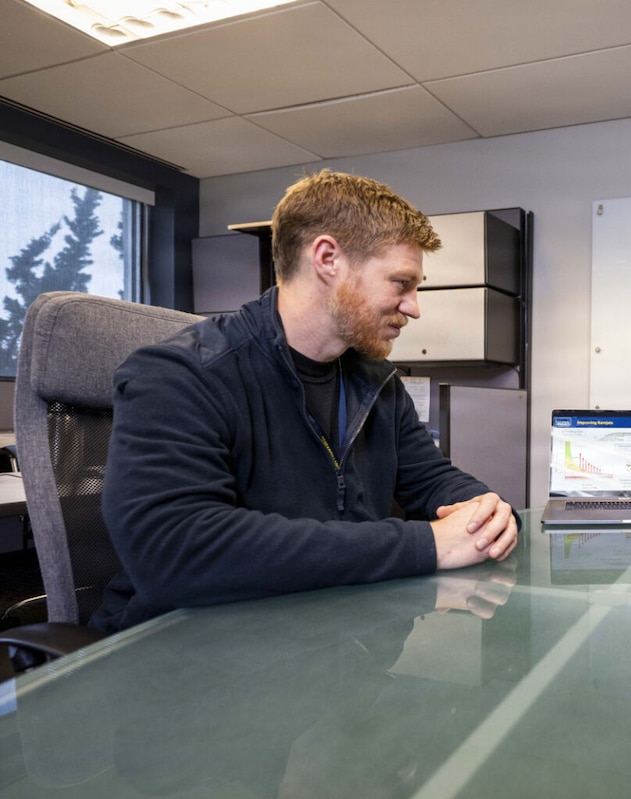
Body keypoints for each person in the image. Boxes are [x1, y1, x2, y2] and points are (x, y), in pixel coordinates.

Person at [92, 170, 518, 633]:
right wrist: (427, 545)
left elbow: (431, 479)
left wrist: (485, 510)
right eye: (400, 283)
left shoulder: (378, 383)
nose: (414, 307)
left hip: (331, 646)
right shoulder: (182, 375)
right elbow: (177, 551)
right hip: (194, 659)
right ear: (328, 258)